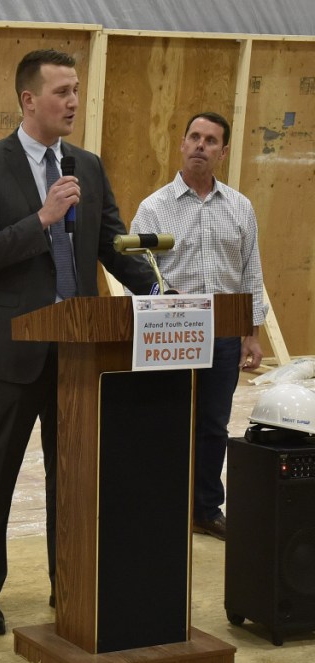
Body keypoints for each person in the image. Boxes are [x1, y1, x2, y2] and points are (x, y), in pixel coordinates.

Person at [0, 49, 156, 636]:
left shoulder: (86, 167)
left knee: (74, 476)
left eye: (75, 90)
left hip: (82, 350)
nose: (72, 101)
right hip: (12, 349)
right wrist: (41, 219)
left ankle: (68, 580)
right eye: (62, 91)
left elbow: (112, 243)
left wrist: (162, 291)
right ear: (28, 100)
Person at [130, 111, 265, 541]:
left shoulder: (240, 207)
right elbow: (134, 270)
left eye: (210, 140)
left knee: (212, 425)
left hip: (224, 337)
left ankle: (205, 508)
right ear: (182, 144)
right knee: (166, 422)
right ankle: (161, 506)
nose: (200, 146)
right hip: (171, 334)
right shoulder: (154, 208)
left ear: (222, 152)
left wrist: (252, 332)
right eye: (194, 137)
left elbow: (250, 273)